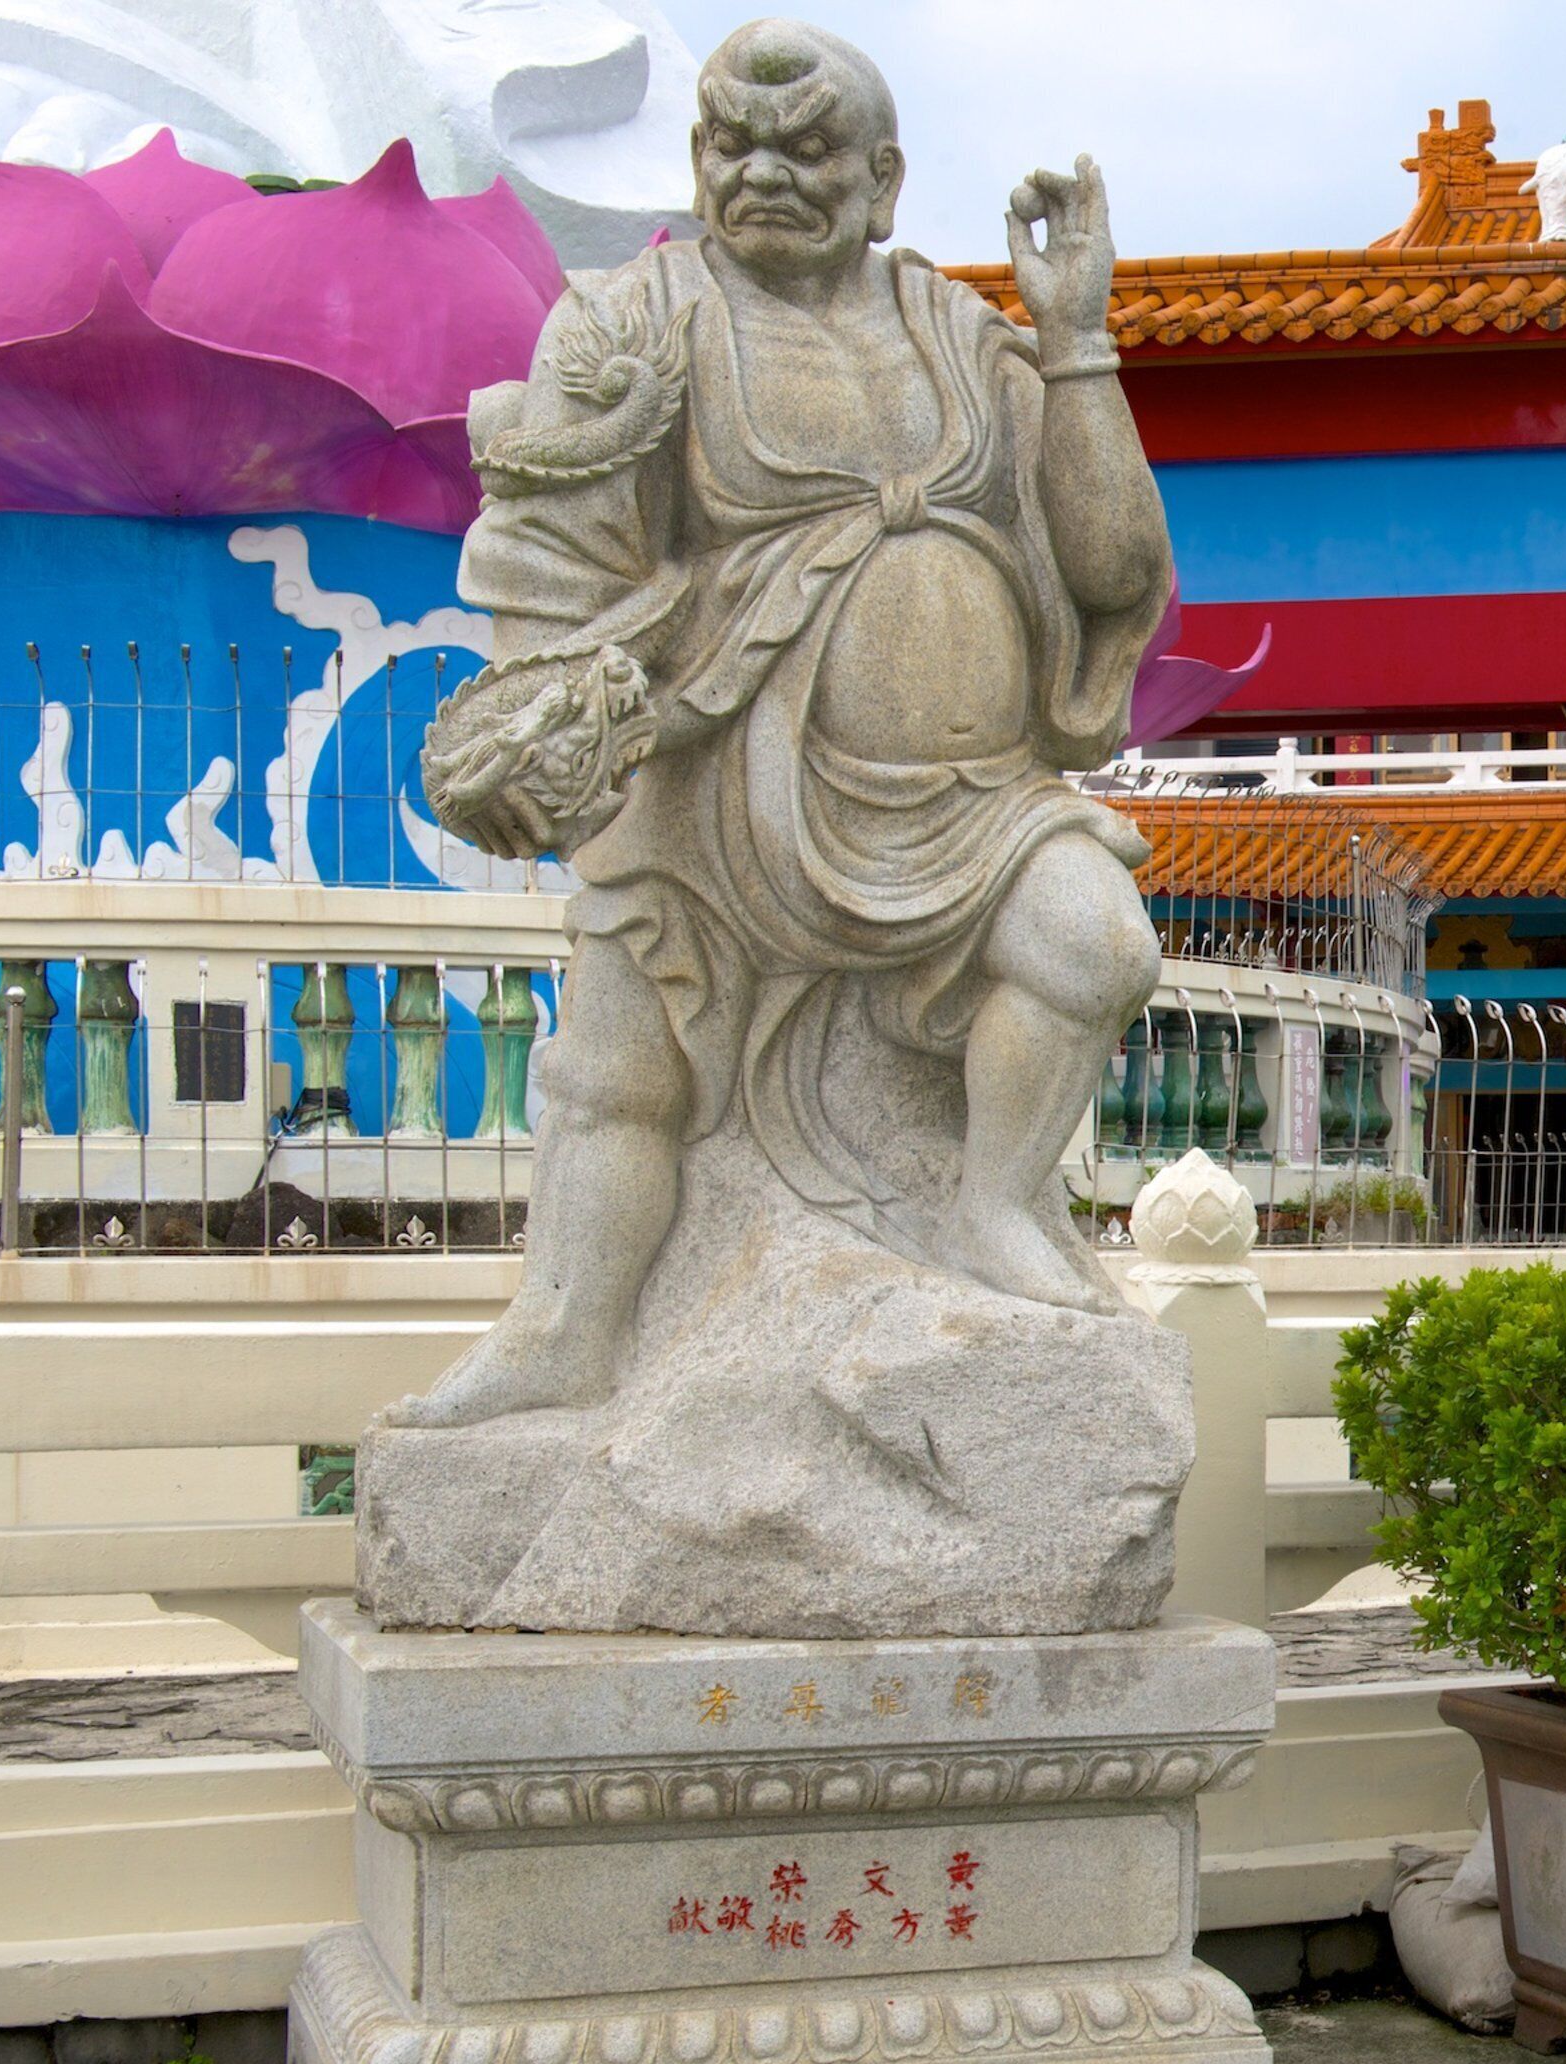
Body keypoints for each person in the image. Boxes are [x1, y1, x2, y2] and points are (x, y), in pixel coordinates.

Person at [395, 18, 1170, 1424]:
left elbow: (1113, 570)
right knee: (621, 1066)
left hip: (972, 798)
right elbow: (547, 561)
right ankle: (567, 1332)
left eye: (805, 148)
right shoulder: (632, 325)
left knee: (1096, 944)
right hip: (718, 785)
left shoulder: (962, 335)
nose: (763, 171)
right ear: (697, 162)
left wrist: (1077, 339)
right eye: (731, 143)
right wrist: (553, 718)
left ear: (881, 179)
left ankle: (996, 1207)